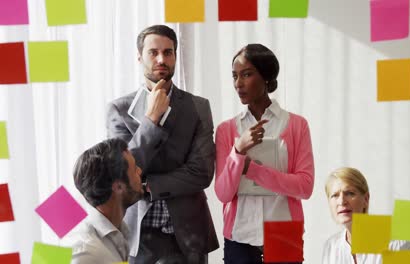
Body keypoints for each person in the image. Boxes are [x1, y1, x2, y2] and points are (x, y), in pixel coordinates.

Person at [106, 25, 218, 264]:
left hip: (189, 236)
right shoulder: (119, 110)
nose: (161, 59)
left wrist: (148, 185)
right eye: (153, 52)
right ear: (139, 56)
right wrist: (151, 120)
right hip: (139, 235)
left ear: (176, 56)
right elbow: (121, 173)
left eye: (168, 52)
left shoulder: (198, 107)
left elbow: (202, 173)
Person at [215, 43, 315, 264]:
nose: (238, 84)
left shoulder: (297, 125)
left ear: (266, 77)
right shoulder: (226, 130)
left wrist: (252, 170)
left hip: (284, 235)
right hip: (239, 237)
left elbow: (305, 186)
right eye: (234, 76)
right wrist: (238, 151)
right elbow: (223, 193)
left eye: (247, 74)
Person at [70, 138, 144, 263]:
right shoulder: (85, 252)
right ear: (118, 187)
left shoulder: (119, 232)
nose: (140, 171)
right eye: (134, 169)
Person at [322, 167, 410, 264]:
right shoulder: (330, 247)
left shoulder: (396, 244)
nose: (341, 201)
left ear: (366, 199)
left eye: (349, 193)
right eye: (335, 195)